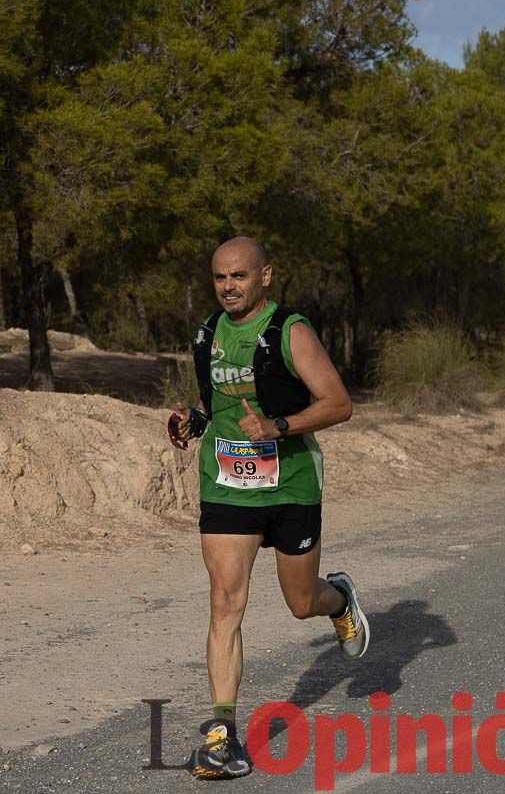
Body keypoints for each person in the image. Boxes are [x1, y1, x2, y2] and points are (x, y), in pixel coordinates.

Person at [168, 236, 369, 780]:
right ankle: (221, 733)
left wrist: (278, 426)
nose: (228, 286)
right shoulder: (208, 333)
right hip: (228, 482)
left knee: (300, 602)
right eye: (219, 277)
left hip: (291, 484)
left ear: (265, 276)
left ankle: (339, 600)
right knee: (223, 600)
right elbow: (217, 408)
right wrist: (194, 420)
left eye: (239, 276)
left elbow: (339, 403)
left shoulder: (289, 331)